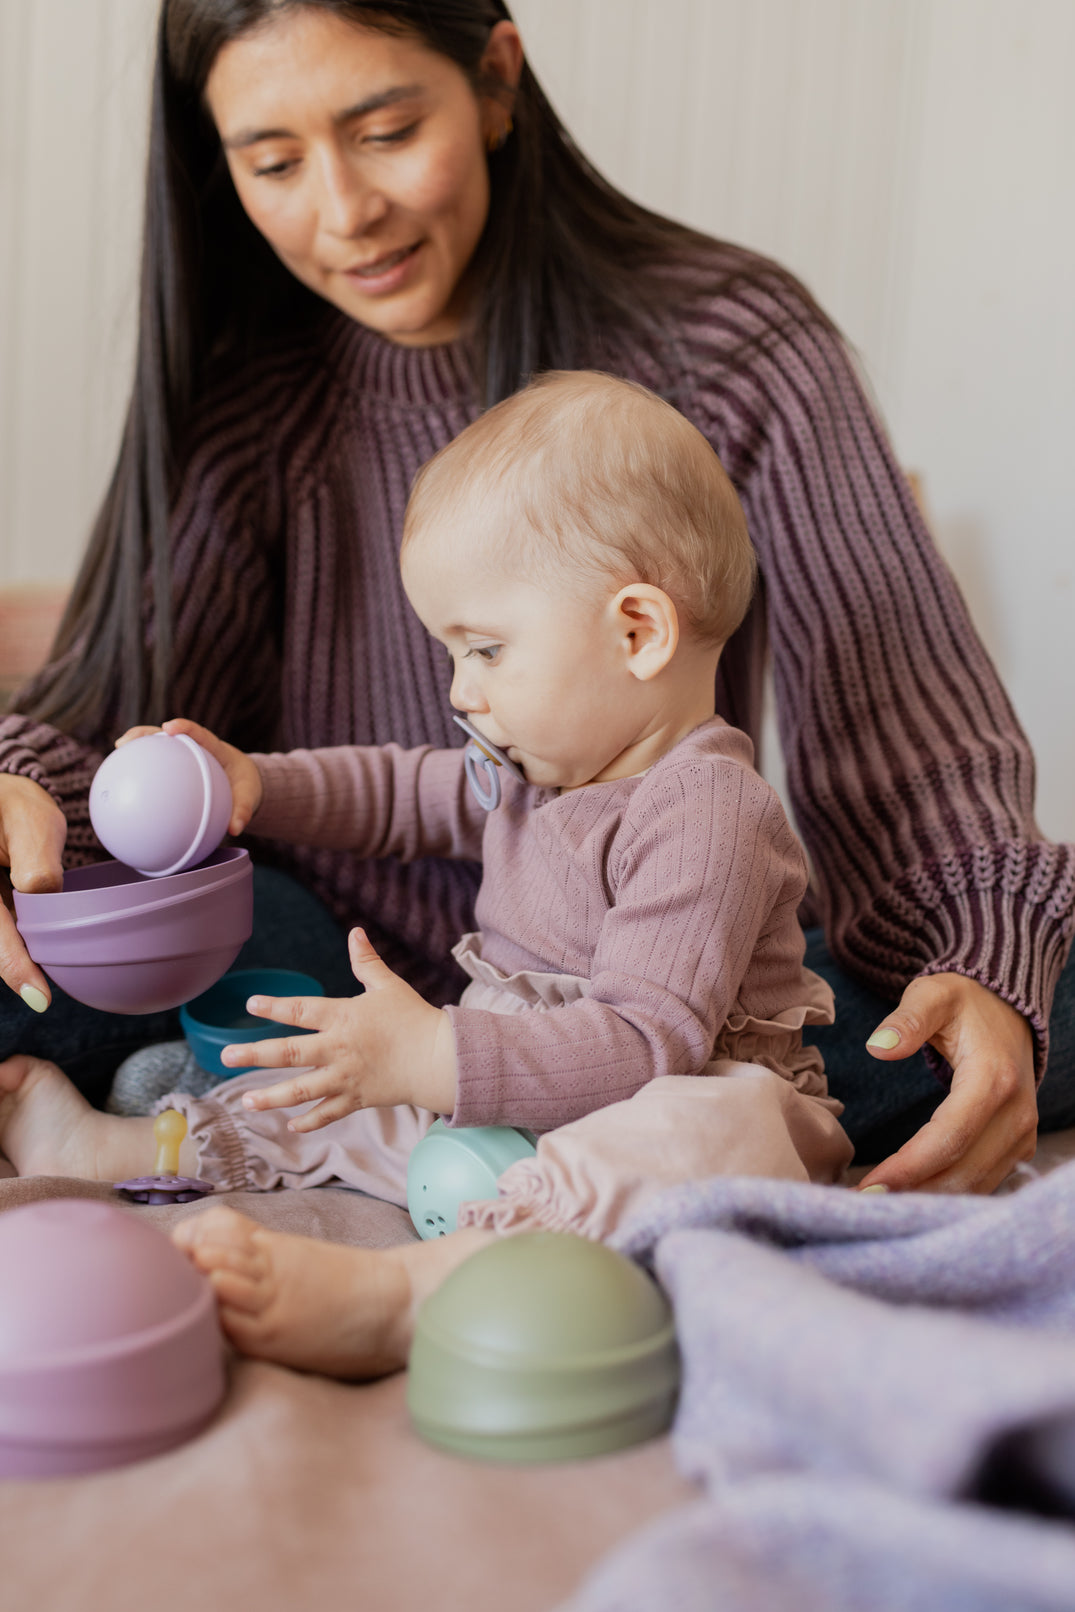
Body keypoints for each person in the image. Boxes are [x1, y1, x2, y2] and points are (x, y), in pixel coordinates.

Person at [0, 0, 1071, 1195]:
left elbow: (905, 727)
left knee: (1009, 984)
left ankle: (252, 1109)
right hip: (349, 966)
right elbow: (115, 741)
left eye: (388, 129)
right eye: (273, 161)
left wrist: (984, 954)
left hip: (652, 974)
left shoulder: (731, 350)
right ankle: (252, 1104)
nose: (345, 213)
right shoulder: (254, 410)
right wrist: (22, 794)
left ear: (497, 82)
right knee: (89, 953)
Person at [0, 370, 856, 1373]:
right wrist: (251, 787)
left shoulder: (704, 805)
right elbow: (398, 794)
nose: (460, 690)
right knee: (349, 1091)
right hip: (511, 1092)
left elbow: (643, 1043)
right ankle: (133, 1149)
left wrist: (438, 1057)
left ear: (636, 631)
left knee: (709, 1130)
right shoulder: (535, 771)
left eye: (486, 648)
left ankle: (411, 1293)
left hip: (670, 1094)